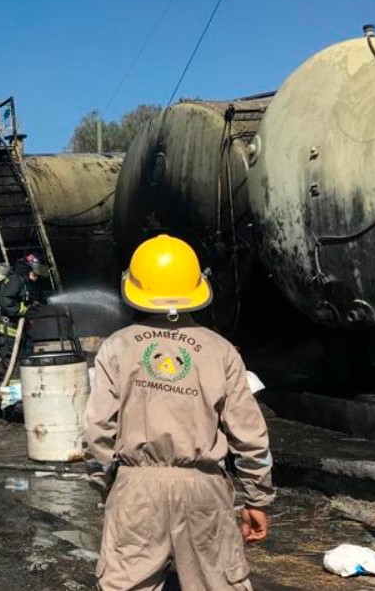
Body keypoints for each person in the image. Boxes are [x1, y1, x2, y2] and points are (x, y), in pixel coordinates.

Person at [84, 234, 273, 591]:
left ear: (134, 285)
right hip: (203, 488)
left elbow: (96, 432)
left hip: (136, 485)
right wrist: (257, 498)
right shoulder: (221, 351)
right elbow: (250, 434)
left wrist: (109, 484)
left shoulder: (116, 348)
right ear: (197, 285)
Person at [0, 252, 52, 356]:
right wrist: (23, 310)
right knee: (15, 364)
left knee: (26, 357)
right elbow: (6, 301)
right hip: (6, 330)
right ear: (30, 269)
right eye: (38, 271)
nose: (38, 276)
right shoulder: (15, 280)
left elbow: (20, 301)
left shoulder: (23, 282)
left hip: (15, 330)